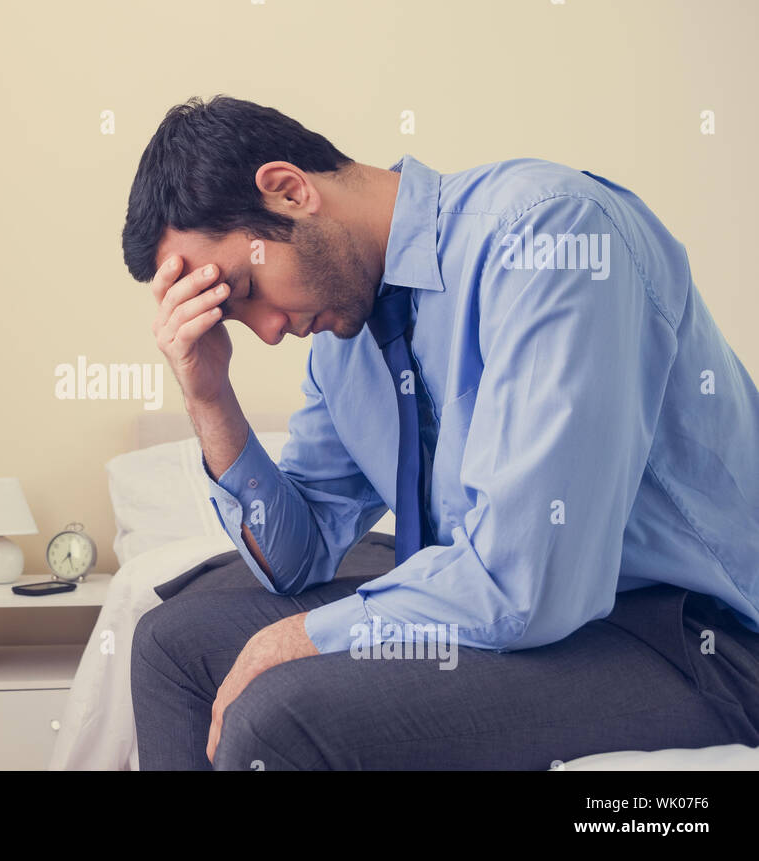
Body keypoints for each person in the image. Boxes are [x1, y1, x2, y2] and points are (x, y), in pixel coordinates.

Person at [120, 94, 759, 770]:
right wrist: (209, 393)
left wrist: (300, 637)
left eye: (246, 290)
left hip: (687, 636)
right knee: (171, 648)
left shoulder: (553, 237)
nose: (269, 332)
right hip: (527, 614)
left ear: (288, 190)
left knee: (281, 717)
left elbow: (526, 583)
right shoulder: (345, 338)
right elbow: (299, 558)